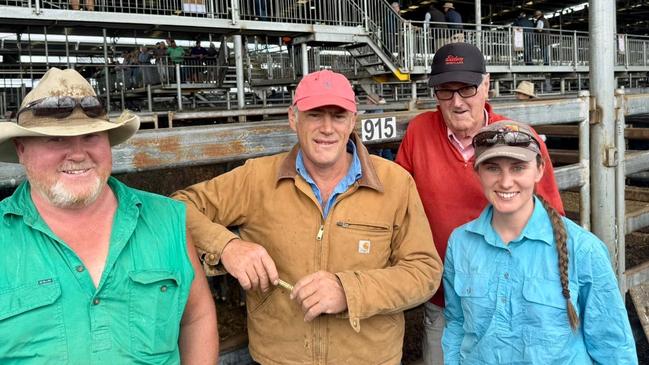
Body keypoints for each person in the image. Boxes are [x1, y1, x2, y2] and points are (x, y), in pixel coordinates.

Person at [172, 69, 442, 364]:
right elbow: (178, 208)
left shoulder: (394, 183)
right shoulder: (257, 178)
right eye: (315, 114)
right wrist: (227, 246)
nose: (327, 128)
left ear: (353, 121)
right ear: (293, 118)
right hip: (280, 358)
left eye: (338, 116)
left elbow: (424, 271)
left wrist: (348, 291)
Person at [0, 68, 218, 363]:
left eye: (91, 136)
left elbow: (196, 318)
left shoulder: (166, 218)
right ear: (22, 149)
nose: (78, 154)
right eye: (56, 139)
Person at [395, 42, 564, 365]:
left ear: (486, 85)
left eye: (467, 89)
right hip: (445, 298)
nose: (457, 102)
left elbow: (552, 214)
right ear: (435, 94)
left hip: (511, 298)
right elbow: (398, 201)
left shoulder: (517, 138)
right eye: (446, 90)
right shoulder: (419, 133)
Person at [443, 120, 638, 364]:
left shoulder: (583, 249)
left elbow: (614, 348)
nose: (505, 182)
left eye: (518, 168)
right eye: (492, 168)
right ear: (476, 172)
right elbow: (457, 322)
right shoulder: (460, 243)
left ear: (539, 169)